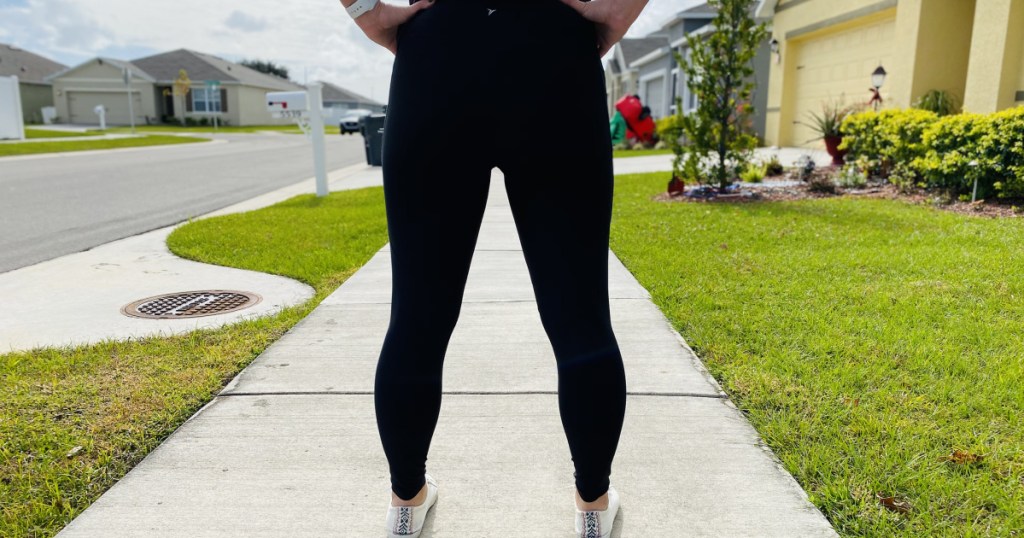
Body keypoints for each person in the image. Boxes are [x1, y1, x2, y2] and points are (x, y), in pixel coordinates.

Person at [342, 0, 649, 535]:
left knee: (417, 317)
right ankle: (593, 507)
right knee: (579, 317)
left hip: (437, 53)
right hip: (554, 48)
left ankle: (405, 503)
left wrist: (366, 10)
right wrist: (617, 11)